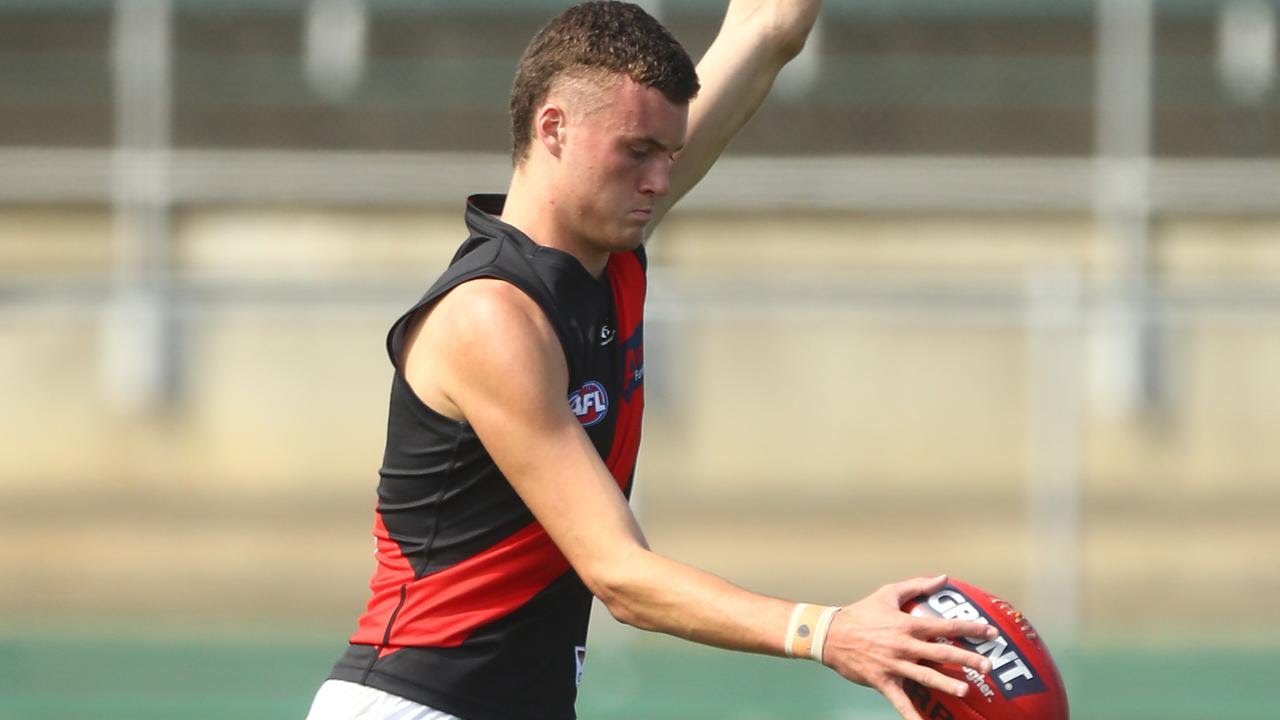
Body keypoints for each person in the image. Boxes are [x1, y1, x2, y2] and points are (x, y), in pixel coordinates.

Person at [306, 3, 998, 720]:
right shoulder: (493, 316)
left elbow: (765, 32)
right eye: (638, 152)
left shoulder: (608, 253)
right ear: (553, 129)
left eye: (668, 155)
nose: (660, 179)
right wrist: (829, 632)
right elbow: (619, 576)